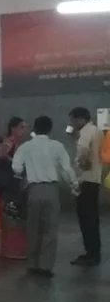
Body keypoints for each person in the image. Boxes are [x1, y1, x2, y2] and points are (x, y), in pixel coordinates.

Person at [12, 116, 78, 277]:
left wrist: (26, 173)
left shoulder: (26, 147)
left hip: (33, 190)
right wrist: (74, 184)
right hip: (51, 190)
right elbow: (66, 169)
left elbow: (16, 168)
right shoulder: (57, 146)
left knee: (33, 228)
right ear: (50, 129)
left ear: (35, 128)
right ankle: (45, 267)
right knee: (50, 229)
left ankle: (32, 265)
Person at [68, 107, 104, 266]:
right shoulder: (96, 130)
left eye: (73, 120)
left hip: (85, 180)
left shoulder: (86, 131)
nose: (72, 124)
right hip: (94, 179)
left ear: (80, 119)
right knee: (92, 219)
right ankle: (94, 252)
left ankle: (91, 254)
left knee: (86, 218)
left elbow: (83, 149)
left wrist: (82, 162)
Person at [0, 117, 28, 260]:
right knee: (11, 214)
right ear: (13, 128)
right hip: (10, 184)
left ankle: (17, 248)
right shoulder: (10, 142)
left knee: (16, 215)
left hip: (17, 183)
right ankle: (11, 249)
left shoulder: (19, 143)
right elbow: (1, 154)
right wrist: (15, 162)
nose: (24, 130)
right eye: (21, 127)